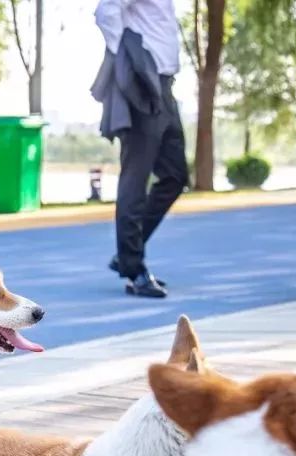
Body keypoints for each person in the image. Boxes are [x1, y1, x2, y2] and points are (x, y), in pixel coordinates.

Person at [93, 0, 187, 299]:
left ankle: (127, 252)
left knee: (175, 176)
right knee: (135, 180)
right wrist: (128, 55)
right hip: (142, 83)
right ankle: (134, 269)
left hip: (164, 88)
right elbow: (106, 11)